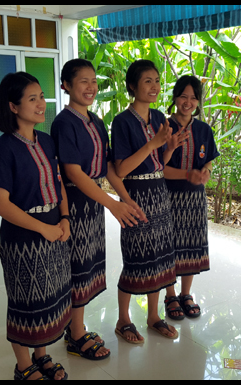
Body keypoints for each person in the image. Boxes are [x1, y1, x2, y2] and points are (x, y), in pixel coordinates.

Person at [51, 59, 146, 359]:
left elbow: (106, 166)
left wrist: (125, 198)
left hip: (93, 202)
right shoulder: (63, 122)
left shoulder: (96, 121)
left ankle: (75, 326)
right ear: (66, 85)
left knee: (89, 264)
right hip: (75, 201)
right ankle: (76, 335)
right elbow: (74, 172)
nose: (91, 87)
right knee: (78, 267)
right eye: (83, 81)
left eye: (93, 81)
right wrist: (112, 205)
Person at [0, 72, 71, 380]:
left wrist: (64, 218)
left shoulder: (46, 141)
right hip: (23, 237)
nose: (41, 104)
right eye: (32, 99)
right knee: (26, 301)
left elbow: (58, 183)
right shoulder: (3, 149)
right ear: (13, 106)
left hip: (54, 228)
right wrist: (43, 228)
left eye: (41, 97)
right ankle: (24, 367)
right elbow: (0, 204)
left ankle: (42, 355)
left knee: (49, 296)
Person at [111, 59, 189, 343]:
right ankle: (123, 319)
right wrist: (153, 144)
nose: (155, 86)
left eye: (157, 80)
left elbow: (159, 162)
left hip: (159, 193)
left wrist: (168, 148)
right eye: (147, 81)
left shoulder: (159, 118)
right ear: (132, 86)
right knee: (135, 258)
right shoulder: (122, 121)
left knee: (160, 257)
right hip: (135, 196)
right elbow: (120, 169)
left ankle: (154, 316)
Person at [163, 75, 220, 320]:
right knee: (169, 246)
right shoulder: (164, 127)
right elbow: (158, 167)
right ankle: (170, 294)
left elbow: (208, 159)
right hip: (168, 197)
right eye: (183, 96)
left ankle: (186, 294)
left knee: (191, 246)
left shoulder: (203, 129)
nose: (188, 102)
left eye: (193, 97)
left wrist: (205, 170)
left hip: (195, 199)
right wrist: (188, 173)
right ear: (175, 97)